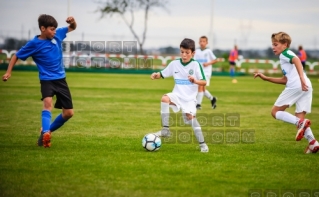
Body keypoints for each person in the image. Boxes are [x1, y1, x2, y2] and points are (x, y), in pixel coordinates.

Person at [2, 14, 77, 148]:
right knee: (47, 104)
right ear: (43, 28)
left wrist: (73, 21)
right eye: (51, 29)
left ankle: (45, 132)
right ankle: (47, 132)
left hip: (61, 80)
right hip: (46, 80)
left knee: (69, 113)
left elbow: (72, 27)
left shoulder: (58, 34)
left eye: (55, 29)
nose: (54, 31)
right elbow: (16, 56)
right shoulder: (34, 44)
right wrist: (8, 72)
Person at [254, 32, 318, 154]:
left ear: (285, 45)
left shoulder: (285, 54)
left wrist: (301, 78)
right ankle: (313, 143)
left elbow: (297, 60)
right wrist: (266, 78)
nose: (273, 47)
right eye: (272, 44)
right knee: (299, 119)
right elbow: (285, 80)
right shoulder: (284, 57)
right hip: (306, 86)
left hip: (298, 85)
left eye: (275, 44)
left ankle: (301, 123)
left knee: (275, 112)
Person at [150, 38, 209, 152]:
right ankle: (165, 130)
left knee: (190, 119)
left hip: (189, 99)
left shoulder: (196, 65)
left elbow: (204, 82)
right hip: (177, 95)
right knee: (164, 98)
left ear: (193, 53)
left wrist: (195, 81)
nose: (184, 55)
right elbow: (162, 74)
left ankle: (203, 145)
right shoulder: (174, 63)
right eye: (182, 52)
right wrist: (155, 75)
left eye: (187, 53)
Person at [194, 36, 218, 110]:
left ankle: (198, 104)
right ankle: (212, 98)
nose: (202, 43)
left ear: (206, 43)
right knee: (203, 89)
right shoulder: (196, 51)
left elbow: (215, 60)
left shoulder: (208, 51)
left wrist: (207, 63)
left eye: (204, 41)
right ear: (199, 42)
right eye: (201, 41)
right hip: (198, 72)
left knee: (200, 87)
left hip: (206, 72)